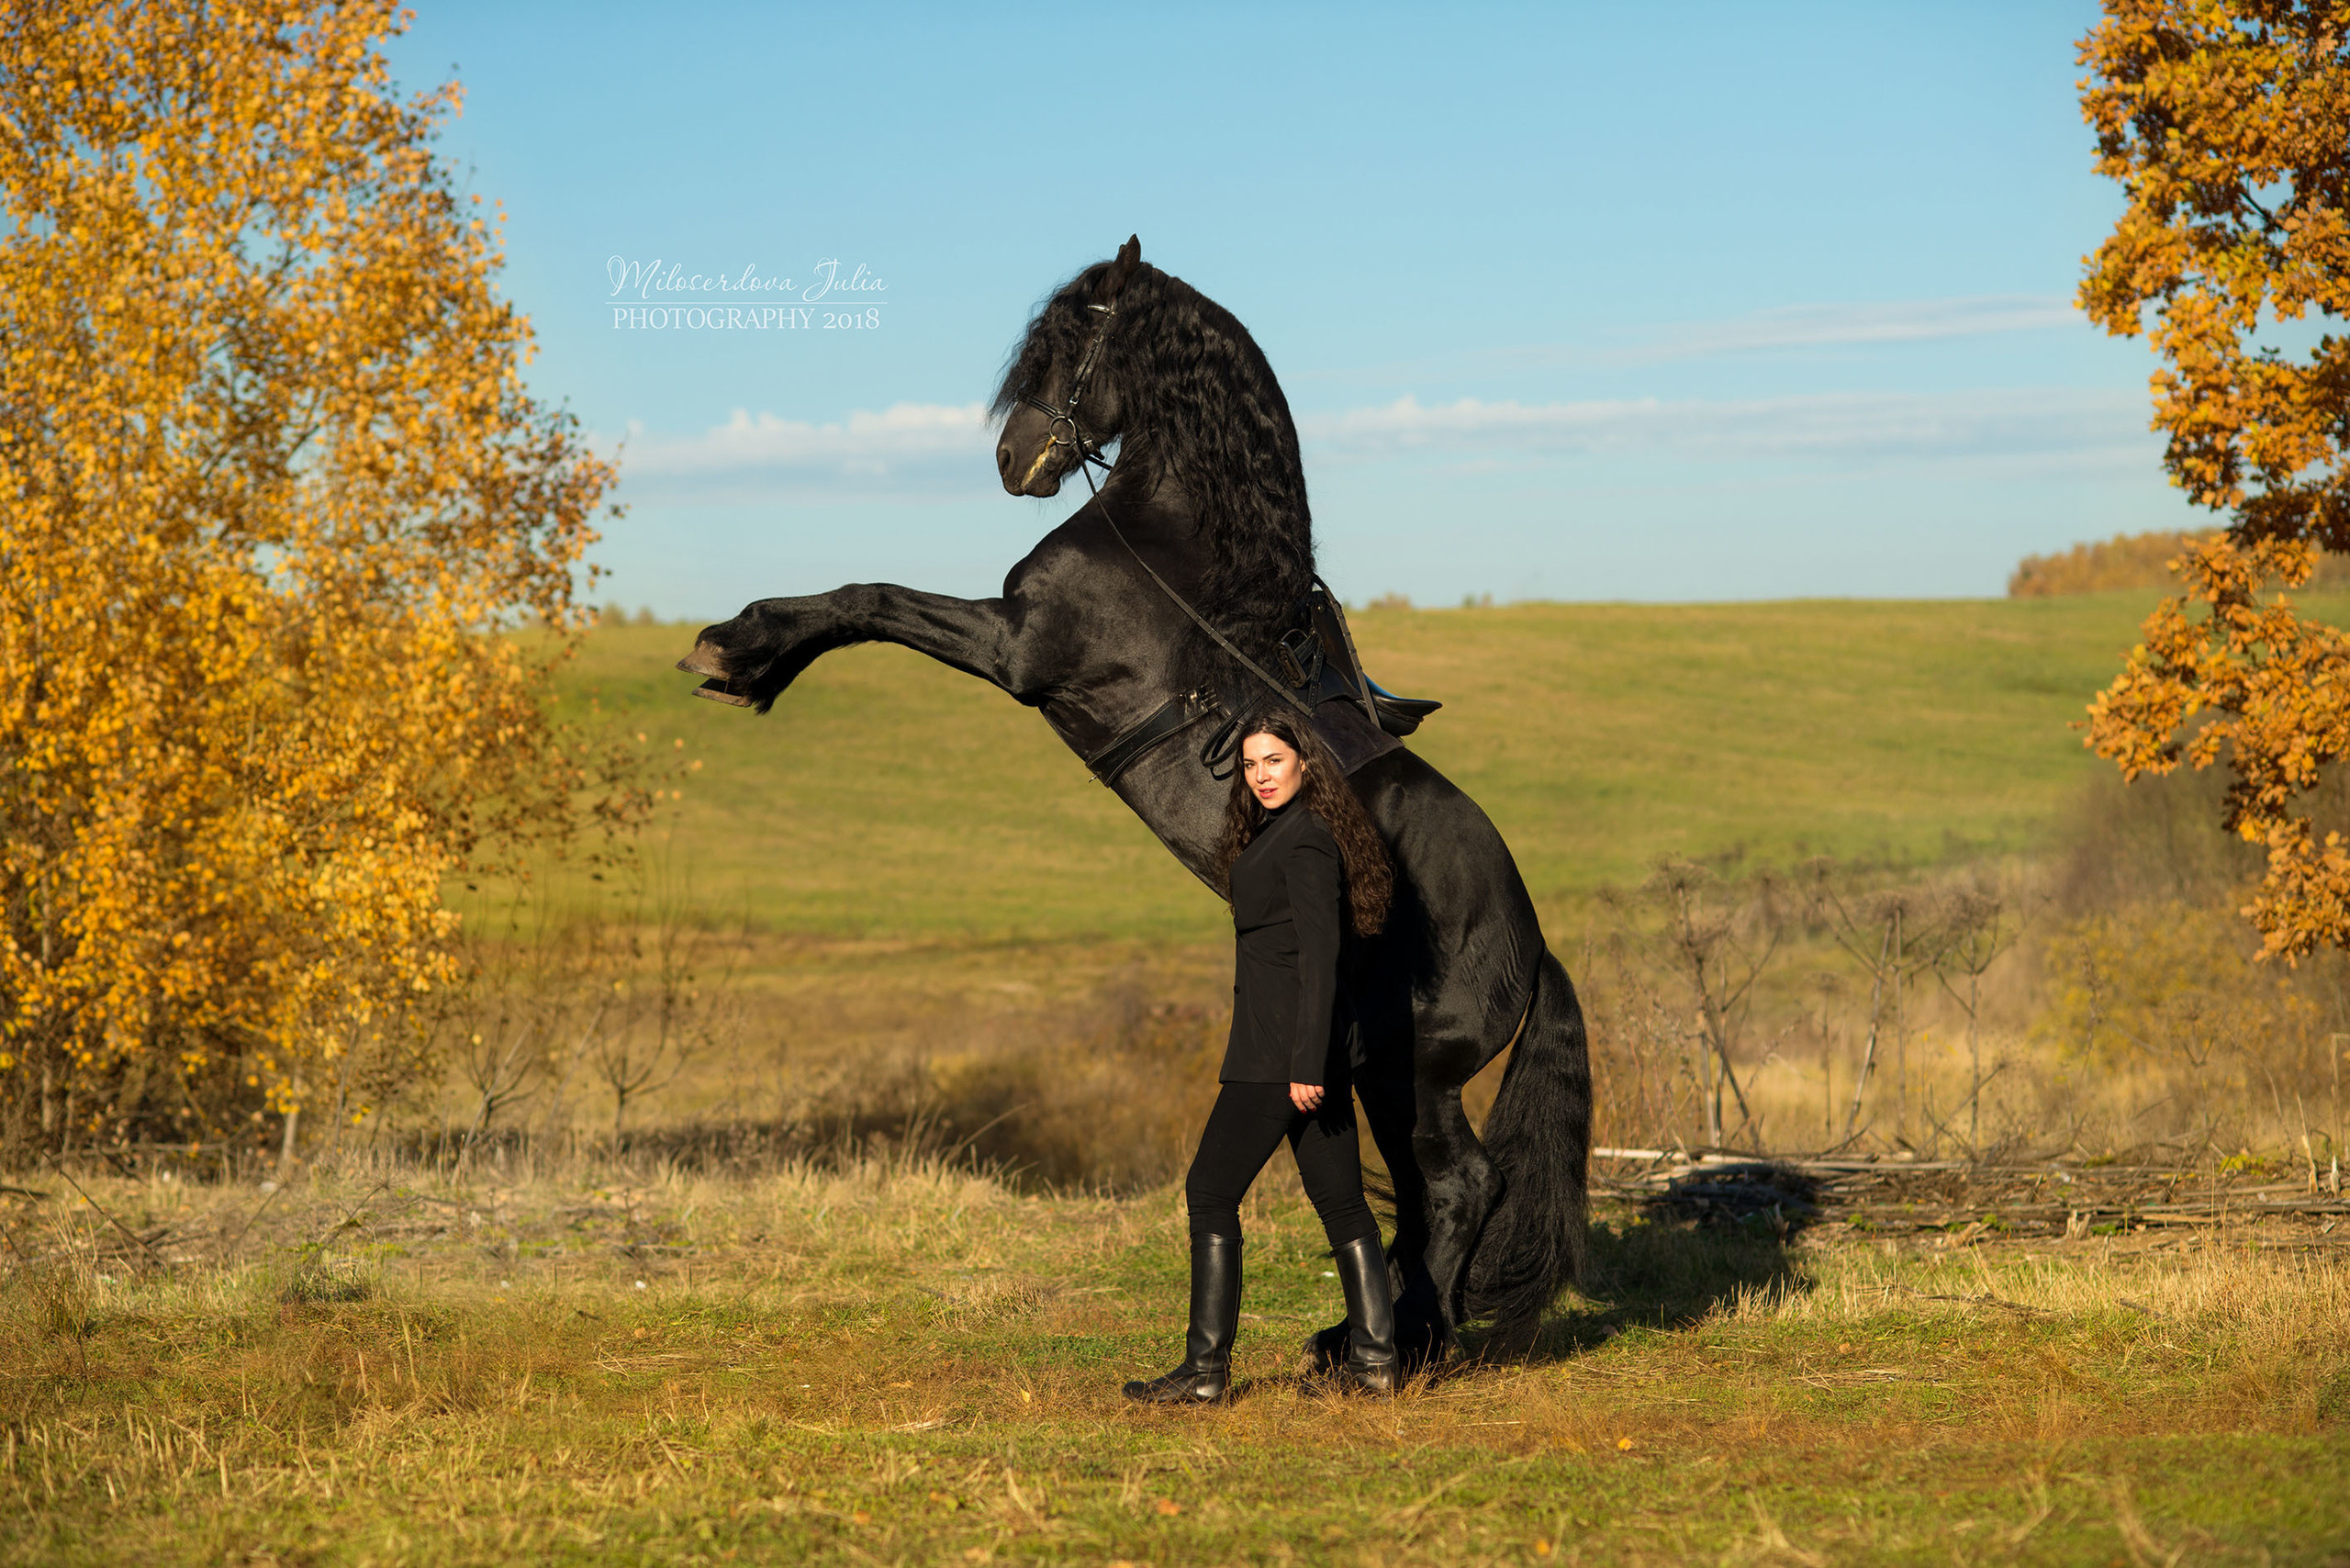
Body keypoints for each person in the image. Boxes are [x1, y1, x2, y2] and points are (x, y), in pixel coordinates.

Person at [1122, 707, 1397, 1405]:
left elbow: (1322, 956)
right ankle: (1374, 1364)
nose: (1261, 775)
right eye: (1250, 765)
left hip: (1281, 1055)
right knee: (1341, 1202)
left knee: (1209, 1192)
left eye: (1272, 759)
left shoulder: (1305, 840)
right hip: (1303, 1051)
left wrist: (1306, 1062)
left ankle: (1206, 1374)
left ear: (1305, 761)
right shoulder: (1286, 832)